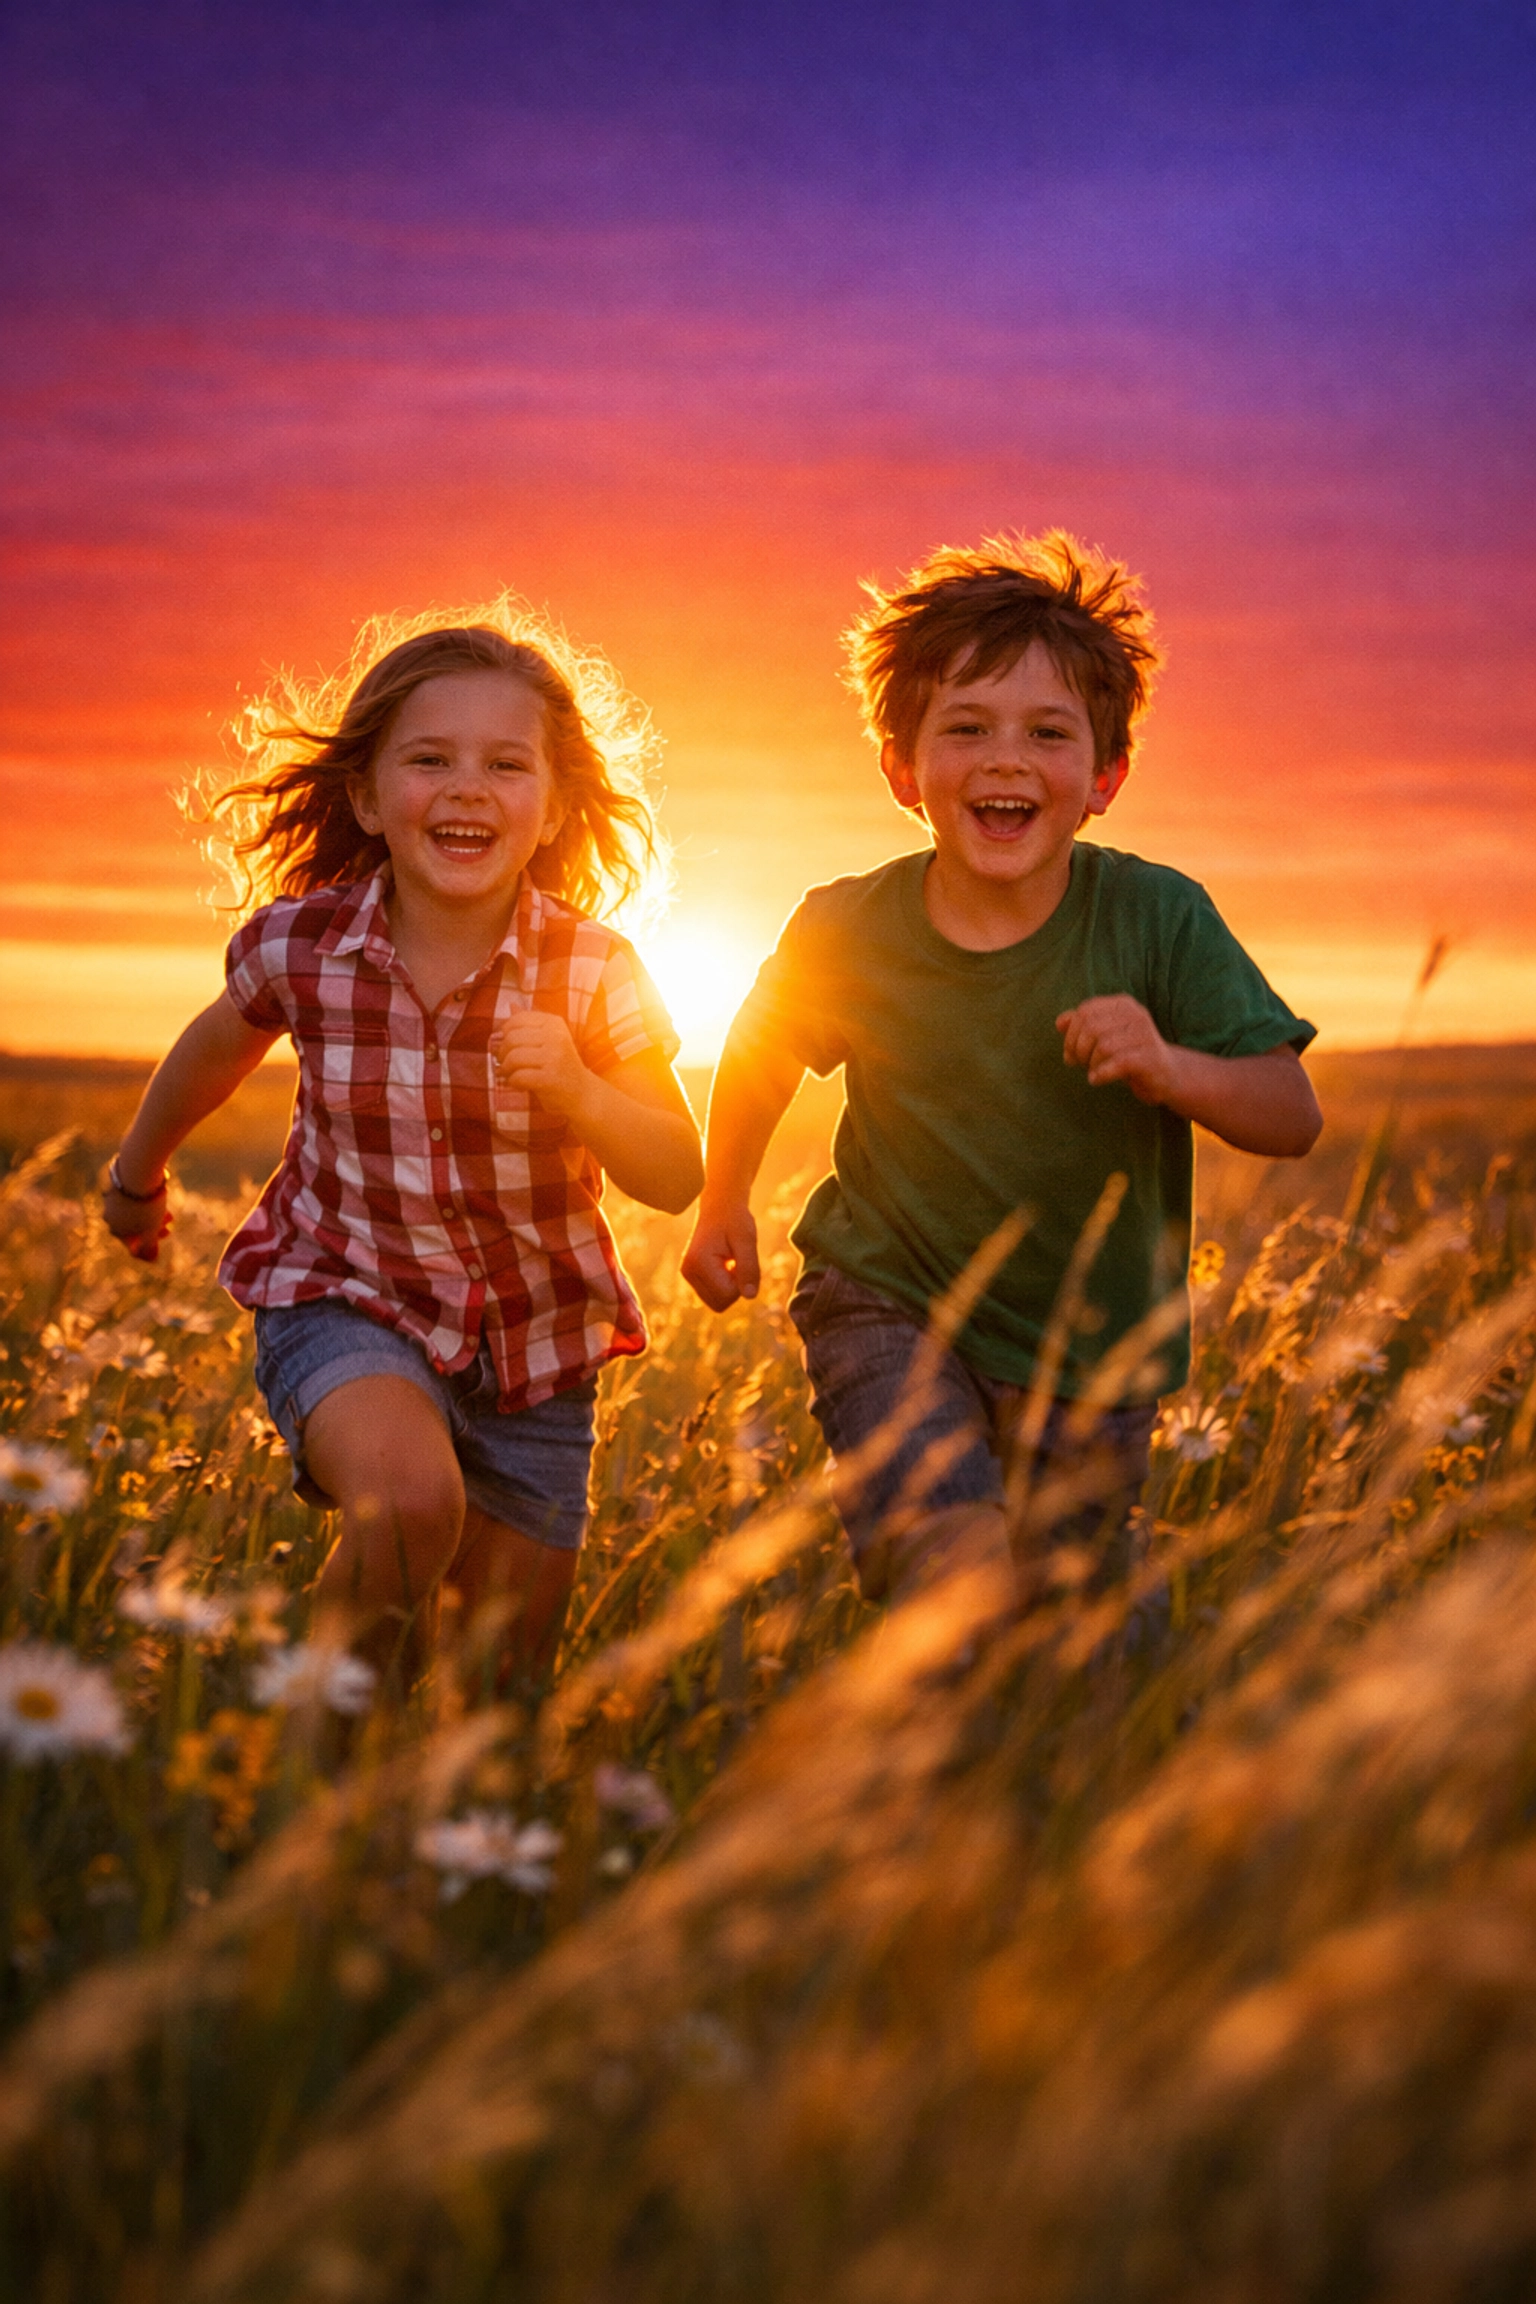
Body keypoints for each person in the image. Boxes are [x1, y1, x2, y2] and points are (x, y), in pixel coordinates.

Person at [682, 532, 1321, 1603]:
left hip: (1093, 1350)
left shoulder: (1157, 919)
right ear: (902, 768)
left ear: (1105, 776)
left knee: (1078, 1658)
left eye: (1048, 733)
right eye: (964, 728)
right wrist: (722, 1198)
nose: (1005, 759)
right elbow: (758, 1056)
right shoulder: (846, 928)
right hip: (887, 1298)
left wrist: (1170, 1066)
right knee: (956, 1581)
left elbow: (1289, 1112)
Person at [105, 607, 702, 1687]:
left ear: (554, 802)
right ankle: (288, 1773)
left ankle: (395, 1829)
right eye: (430, 759)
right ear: (370, 799)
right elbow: (212, 1053)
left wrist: (577, 1085)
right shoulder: (306, 942)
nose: (468, 787)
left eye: (506, 763)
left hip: (537, 1353)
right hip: (344, 1294)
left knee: (496, 1698)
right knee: (409, 1507)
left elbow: (672, 1170)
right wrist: (133, 1178)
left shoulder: (593, 971)